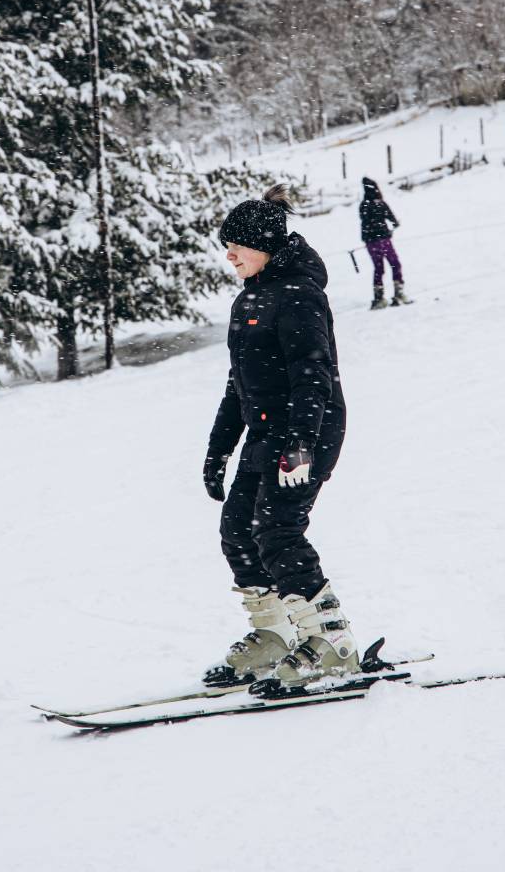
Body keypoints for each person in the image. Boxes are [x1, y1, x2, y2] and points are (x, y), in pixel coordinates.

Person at [201, 184, 359, 689]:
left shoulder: (299, 295)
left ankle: (332, 643)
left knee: (278, 532)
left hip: (305, 431)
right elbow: (238, 383)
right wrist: (218, 449)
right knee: (238, 532)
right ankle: (273, 635)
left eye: (238, 246)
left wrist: (301, 443)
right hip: (265, 434)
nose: (229, 254)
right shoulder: (251, 297)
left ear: (265, 245)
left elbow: (313, 374)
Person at [359, 176, 411, 309]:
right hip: (383, 239)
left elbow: (365, 220)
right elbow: (393, 220)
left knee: (378, 268)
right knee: (395, 264)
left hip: (370, 242)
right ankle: (399, 292)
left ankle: (378, 297)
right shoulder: (380, 204)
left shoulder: (363, 205)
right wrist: (393, 225)